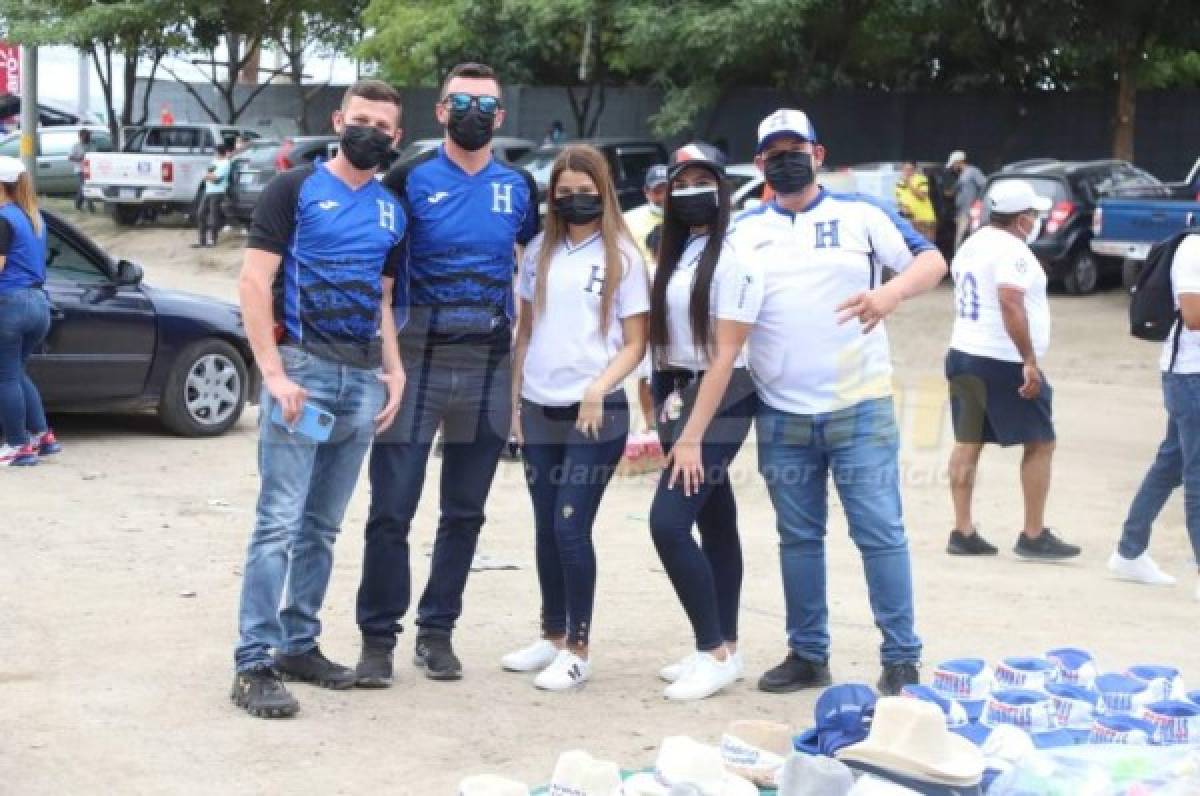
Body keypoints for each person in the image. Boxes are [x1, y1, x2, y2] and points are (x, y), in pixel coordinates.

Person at [730, 109, 947, 696]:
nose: (785, 157)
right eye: (773, 151)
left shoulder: (861, 214)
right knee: (798, 538)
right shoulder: (744, 230)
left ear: (818, 154)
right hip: (781, 411)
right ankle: (807, 652)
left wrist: (890, 293)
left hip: (860, 407)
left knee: (879, 533)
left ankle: (901, 657)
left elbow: (932, 260)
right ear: (759, 165)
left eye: (794, 147)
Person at [355, 62, 538, 686]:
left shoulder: (518, 187)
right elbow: (377, 264)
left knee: (465, 513)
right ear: (440, 111)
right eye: (461, 100)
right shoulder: (408, 177)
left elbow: (534, 276)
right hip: (418, 363)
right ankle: (378, 638)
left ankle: (437, 632)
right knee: (392, 508)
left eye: (485, 103)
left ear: (502, 116)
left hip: (488, 365)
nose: (473, 111)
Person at [230, 79, 407, 719]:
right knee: (278, 521)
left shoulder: (393, 210)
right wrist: (273, 373)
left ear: (396, 137)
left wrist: (395, 370)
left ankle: (299, 644)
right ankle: (253, 662)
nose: (370, 132)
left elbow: (382, 299)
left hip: (361, 382)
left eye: (383, 126)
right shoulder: (295, 190)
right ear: (339, 121)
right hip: (303, 373)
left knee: (323, 528)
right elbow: (254, 281)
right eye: (361, 119)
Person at [502, 144, 649, 691]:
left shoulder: (625, 259)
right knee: (545, 528)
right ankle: (553, 636)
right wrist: (516, 404)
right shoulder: (539, 250)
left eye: (585, 192)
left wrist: (600, 386)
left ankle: (579, 649)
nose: (574, 200)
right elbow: (524, 331)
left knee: (570, 527)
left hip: (596, 413)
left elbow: (636, 343)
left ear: (603, 191)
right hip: (540, 408)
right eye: (564, 193)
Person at [645, 142, 763, 701]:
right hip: (676, 389)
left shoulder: (733, 260)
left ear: (721, 189)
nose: (692, 192)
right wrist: (660, 408)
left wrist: (691, 437)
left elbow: (723, 356)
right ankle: (729, 647)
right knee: (715, 518)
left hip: (721, 396)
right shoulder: (676, 252)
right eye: (681, 182)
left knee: (668, 523)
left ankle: (710, 649)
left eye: (703, 181)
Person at [944, 180, 1081, 561]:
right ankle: (1033, 534)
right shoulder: (1012, 252)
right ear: (1022, 219)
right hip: (1000, 359)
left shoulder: (973, 242)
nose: (1035, 221)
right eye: (1033, 215)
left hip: (963, 351)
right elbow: (1010, 302)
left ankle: (962, 528)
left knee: (968, 440)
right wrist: (1029, 361)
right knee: (1040, 441)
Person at [1110, 230, 1200, 600]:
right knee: (1196, 476)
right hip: (1191, 376)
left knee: (1170, 465)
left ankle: (1130, 551)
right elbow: (1193, 314)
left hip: (1191, 378)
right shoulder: (1195, 249)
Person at [0, 156, 59, 467]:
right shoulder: (34, 218)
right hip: (39, 304)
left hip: (10, 303)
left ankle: (18, 445)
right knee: (16, 373)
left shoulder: (3, 218)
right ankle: (41, 436)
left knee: (5, 377)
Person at [624, 164, 669, 432]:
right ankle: (651, 426)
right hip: (643, 303)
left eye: (668, 189)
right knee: (645, 370)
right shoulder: (630, 220)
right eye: (658, 190)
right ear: (647, 192)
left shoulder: (685, 217)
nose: (663, 196)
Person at [192, 143, 232, 248]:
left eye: (215, 152)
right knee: (200, 213)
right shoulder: (215, 161)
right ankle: (202, 241)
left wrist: (207, 176)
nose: (214, 154)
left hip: (218, 192)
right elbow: (208, 173)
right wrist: (207, 175)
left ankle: (212, 240)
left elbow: (215, 177)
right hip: (209, 191)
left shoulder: (225, 164)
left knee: (214, 216)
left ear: (219, 152)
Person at [946, 151, 986, 251]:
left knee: (964, 238)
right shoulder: (962, 175)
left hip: (971, 212)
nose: (953, 167)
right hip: (962, 212)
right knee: (962, 238)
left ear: (959, 162)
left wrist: (977, 203)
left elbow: (984, 186)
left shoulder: (973, 171)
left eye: (954, 164)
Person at [894, 161, 935, 242]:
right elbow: (899, 201)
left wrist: (908, 183)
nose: (907, 172)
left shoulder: (921, 179)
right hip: (910, 220)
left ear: (914, 170)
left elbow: (923, 196)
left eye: (910, 170)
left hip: (924, 219)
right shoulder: (898, 183)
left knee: (927, 245)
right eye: (905, 169)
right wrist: (903, 208)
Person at [68, 129, 97, 213]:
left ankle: (79, 204)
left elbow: (95, 155)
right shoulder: (76, 146)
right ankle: (89, 206)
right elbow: (70, 157)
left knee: (87, 187)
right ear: (80, 136)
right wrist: (80, 159)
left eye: (88, 135)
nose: (88, 137)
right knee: (84, 187)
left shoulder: (92, 145)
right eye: (86, 135)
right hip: (80, 169)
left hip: (90, 170)